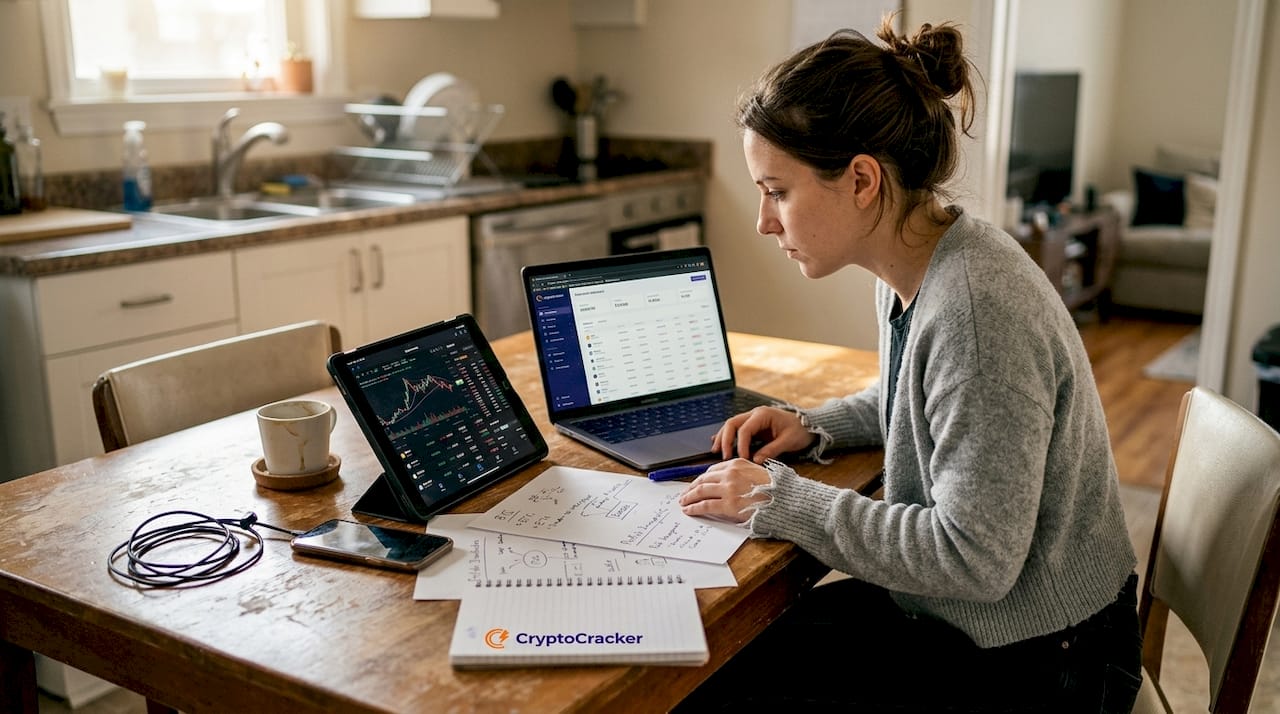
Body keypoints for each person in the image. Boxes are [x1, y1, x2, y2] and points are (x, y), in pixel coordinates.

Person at [673, 16, 1142, 714]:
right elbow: (917, 397)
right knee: (719, 664)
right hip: (992, 623)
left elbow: (973, 557)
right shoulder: (929, 255)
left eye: (777, 192)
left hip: (1047, 658)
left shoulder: (975, 313)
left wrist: (782, 500)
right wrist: (812, 427)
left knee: (716, 688)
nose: (764, 223)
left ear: (860, 179)